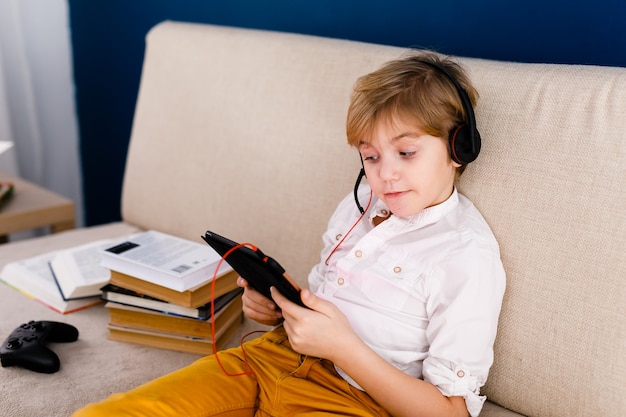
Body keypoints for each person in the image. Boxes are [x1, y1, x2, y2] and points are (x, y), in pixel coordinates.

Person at [73, 51, 505, 417]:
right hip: (272, 357)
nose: (386, 175)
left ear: (458, 148)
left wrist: (342, 349)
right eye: (370, 157)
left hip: (353, 402)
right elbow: (333, 300)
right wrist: (282, 308)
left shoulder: (464, 255)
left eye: (406, 152)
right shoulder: (358, 203)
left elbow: (451, 411)